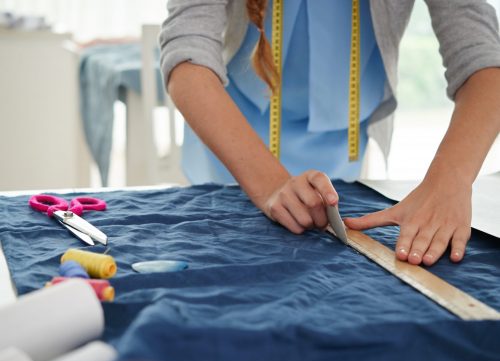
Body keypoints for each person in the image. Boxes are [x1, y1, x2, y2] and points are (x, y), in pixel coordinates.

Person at [159, 0, 500, 267]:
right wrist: (270, 184)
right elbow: (186, 53)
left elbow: (483, 59)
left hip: (342, 156)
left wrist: (451, 181)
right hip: (235, 148)